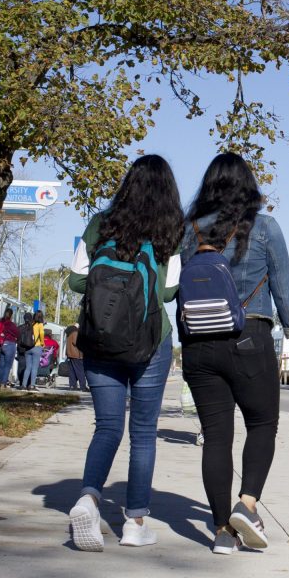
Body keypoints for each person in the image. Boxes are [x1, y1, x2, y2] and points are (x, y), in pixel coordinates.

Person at [180, 152, 289, 556]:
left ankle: (221, 531)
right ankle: (247, 504)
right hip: (250, 337)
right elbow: (284, 289)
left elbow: (183, 289)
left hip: (199, 344)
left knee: (216, 437)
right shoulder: (265, 227)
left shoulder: (190, 232)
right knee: (262, 424)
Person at [66, 155, 184, 551]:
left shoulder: (101, 223)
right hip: (151, 341)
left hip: (100, 337)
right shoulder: (172, 231)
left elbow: (76, 280)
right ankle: (134, 523)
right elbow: (168, 292)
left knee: (107, 427)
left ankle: (87, 498)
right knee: (143, 434)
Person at [0, 309, 18, 388]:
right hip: (10, 344)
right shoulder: (11, 325)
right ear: (11, 315)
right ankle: (3, 384)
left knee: (1, 365)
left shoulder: (0, 322)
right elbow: (18, 334)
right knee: (8, 366)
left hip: (1, 345)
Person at [20, 311, 45, 390]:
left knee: (28, 367)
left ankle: (23, 385)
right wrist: (42, 343)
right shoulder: (40, 325)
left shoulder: (30, 324)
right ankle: (32, 385)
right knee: (34, 367)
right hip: (36, 347)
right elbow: (41, 334)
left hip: (28, 348)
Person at [64, 324, 88, 392]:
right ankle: (83, 387)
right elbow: (76, 342)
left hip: (71, 354)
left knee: (72, 372)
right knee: (80, 371)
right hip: (77, 355)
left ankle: (72, 386)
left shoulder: (69, 333)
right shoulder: (75, 333)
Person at [16, 312, 37, 388]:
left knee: (21, 367)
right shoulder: (33, 328)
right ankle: (29, 383)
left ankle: (22, 382)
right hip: (30, 349)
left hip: (21, 349)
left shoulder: (19, 328)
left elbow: (17, 338)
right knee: (29, 367)